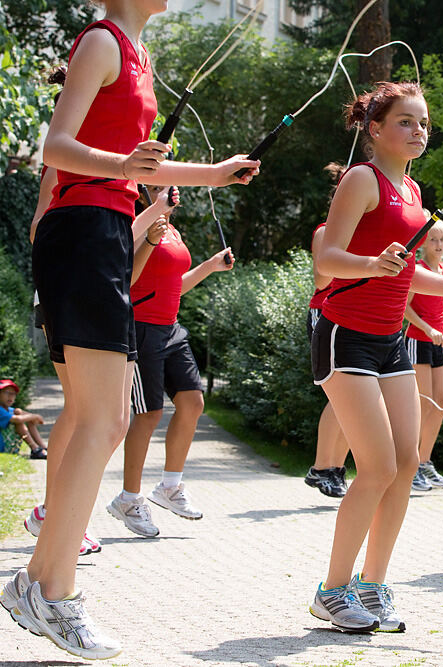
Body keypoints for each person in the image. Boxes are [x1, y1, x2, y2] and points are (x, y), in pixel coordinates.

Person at [1, 0, 258, 658]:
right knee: (97, 420)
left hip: (107, 229)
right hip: (83, 229)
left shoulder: (140, 57)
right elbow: (54, 148)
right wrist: (122, 166)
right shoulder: (104, 42)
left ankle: (39, 583)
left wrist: (211, 173)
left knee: (109, 420)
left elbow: (136, 166)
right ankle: (48, 589)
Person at [310, 81, 443, 632]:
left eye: (424, 124)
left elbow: (408, 272)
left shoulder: (413, 192)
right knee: (374, 467)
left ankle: (371, 586)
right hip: (344, 333)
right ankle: (332, 590)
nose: (419, 131)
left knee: (404, 467)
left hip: (392, 337)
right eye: (406, 122)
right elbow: (327, 257)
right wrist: (372, 265)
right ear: (374, 129)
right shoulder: (362, 179)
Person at [23, 177, 177, 558]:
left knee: (92, 416)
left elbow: (119, 239)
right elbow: (40, 230)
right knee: (85, 413)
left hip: (94, 283)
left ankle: (55, 516)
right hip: (71, 284)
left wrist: (156, 209)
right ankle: (54, 518)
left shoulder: (119, 174)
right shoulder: (69, 163)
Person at [106, 186, 234, 539]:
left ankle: (169, 487)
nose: (174, 191)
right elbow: (126, 276)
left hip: (171, 328)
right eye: (166, 186)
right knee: (148, 414)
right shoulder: (133, 221)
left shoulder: (171, 228)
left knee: (193, 403)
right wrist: (148, 238)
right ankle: (129, 499)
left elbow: (174, 285)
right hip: (140, 327)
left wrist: (209, 266)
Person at [304, 163, 351, 499]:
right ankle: (322, 467)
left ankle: (336, 468)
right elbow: (322, 279)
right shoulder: (325, 232)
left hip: (356, 314)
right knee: (340, 397)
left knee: (356, 401)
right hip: (325, 313)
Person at [404, 217, 443, 491]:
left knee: (441, 402)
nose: (438, 244)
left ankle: (424, 462)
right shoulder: (419, 269)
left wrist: (440, 335)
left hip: (438, 344)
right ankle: (410, 467)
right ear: (424, 243)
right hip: (417, 340)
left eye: (442, 239)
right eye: (433, 239)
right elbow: (404, 309)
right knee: (422, 404)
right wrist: (427, 328)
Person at [0, 379, 48, 458]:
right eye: (7, 393)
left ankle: (42, 447)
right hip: (3, 447)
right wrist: (35, 416)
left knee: (22, 415)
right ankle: (35, 449)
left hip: (10, 446)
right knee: (20, 419)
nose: (11, 396)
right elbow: (17, 420)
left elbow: (35, 420)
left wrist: (25, 414)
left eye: (13, 394)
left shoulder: (10, 410)